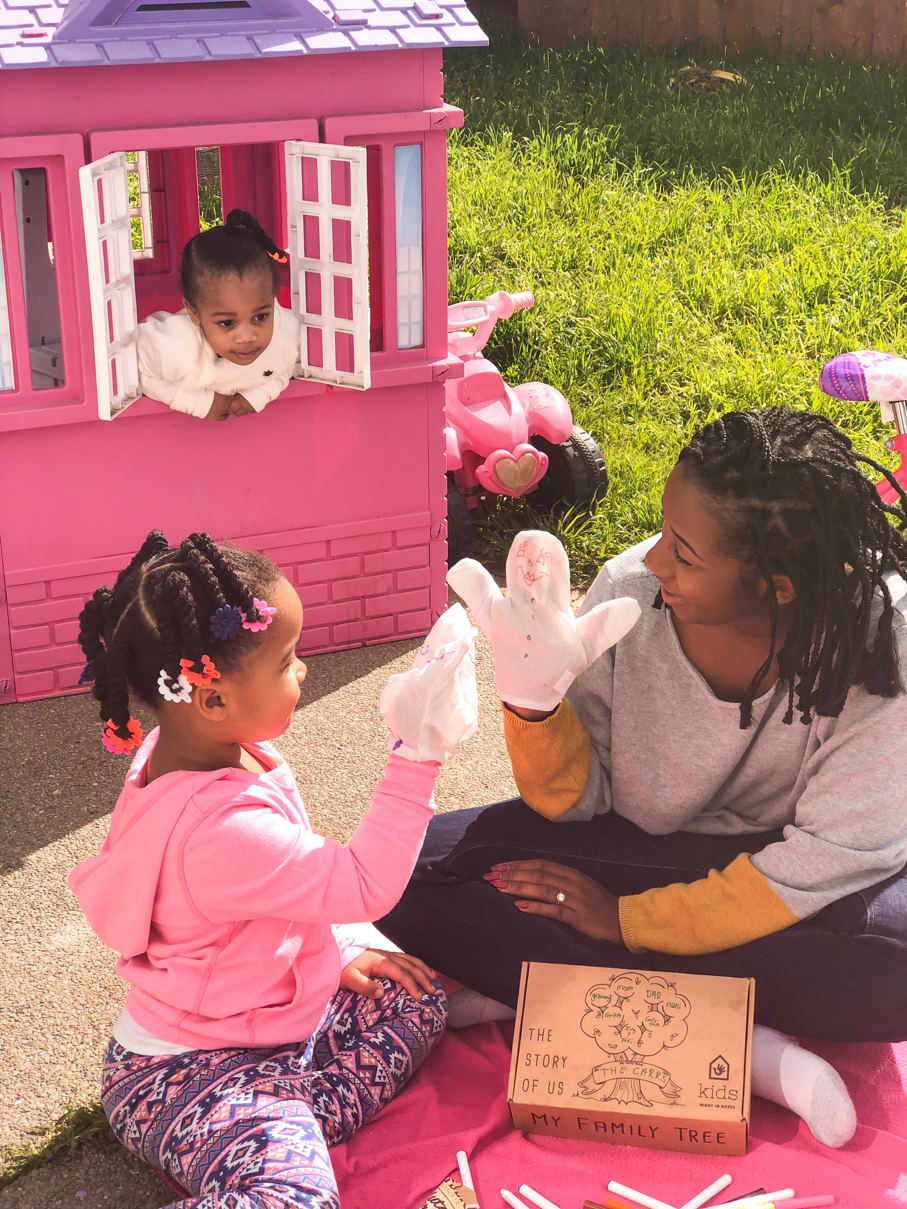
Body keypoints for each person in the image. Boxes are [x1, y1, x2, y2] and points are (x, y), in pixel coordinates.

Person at [380, 407, 907, 1150]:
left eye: (684, 552)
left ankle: (546, 989)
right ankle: (754, 1047)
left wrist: (628, 921)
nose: (655, 559)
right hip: (639, 847)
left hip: (796, 873)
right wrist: (532, 709)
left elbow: (832, 855)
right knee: (409, 873)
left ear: (779, 587)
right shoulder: (631, 594)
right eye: (663, 529)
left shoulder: (881, 639)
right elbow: (576, 802)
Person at [67, 530, 479, 1209]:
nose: (303, 670)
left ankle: (281, 1121)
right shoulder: (219, 831)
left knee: (413, 997)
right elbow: (362, 884)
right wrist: (417, 755)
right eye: (286, 659)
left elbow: (287, 893)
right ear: (212, 698)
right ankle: (275, 1144)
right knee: (296, 1198)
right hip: (184, 1072)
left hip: (268, 1033)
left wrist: (337, 948)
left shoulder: (199, 746)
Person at [137, 210, 300, 421]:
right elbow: (138, 371)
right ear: (194, 313)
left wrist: (261, 393)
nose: (247, 337)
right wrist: (197, 402)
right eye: (228, 322)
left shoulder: (284, 329)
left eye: (260, 317)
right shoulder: (174, 348)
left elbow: (287, 361)